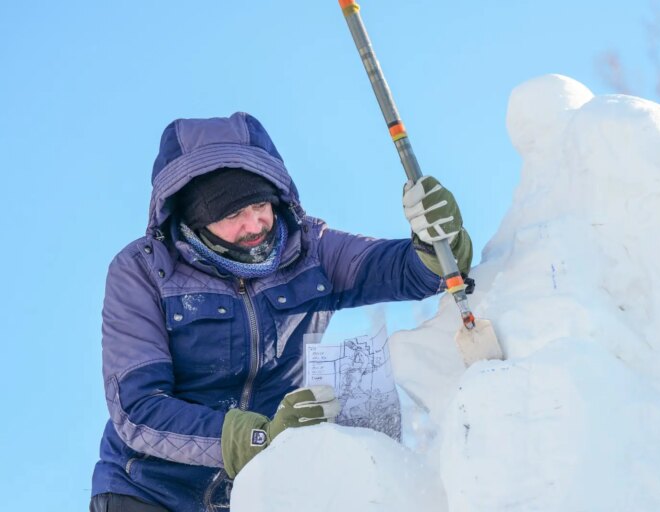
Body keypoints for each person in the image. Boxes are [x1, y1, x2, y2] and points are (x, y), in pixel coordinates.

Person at [90, 112, 472, 512]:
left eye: (259, 204)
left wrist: (436, 243)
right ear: (193, 219)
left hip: (254, 492)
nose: (254, 223)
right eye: (231, 214)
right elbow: (138, 409)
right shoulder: (143, 271)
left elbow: (405, 272)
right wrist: (258, 436)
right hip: (148, 492)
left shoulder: (309, 250)